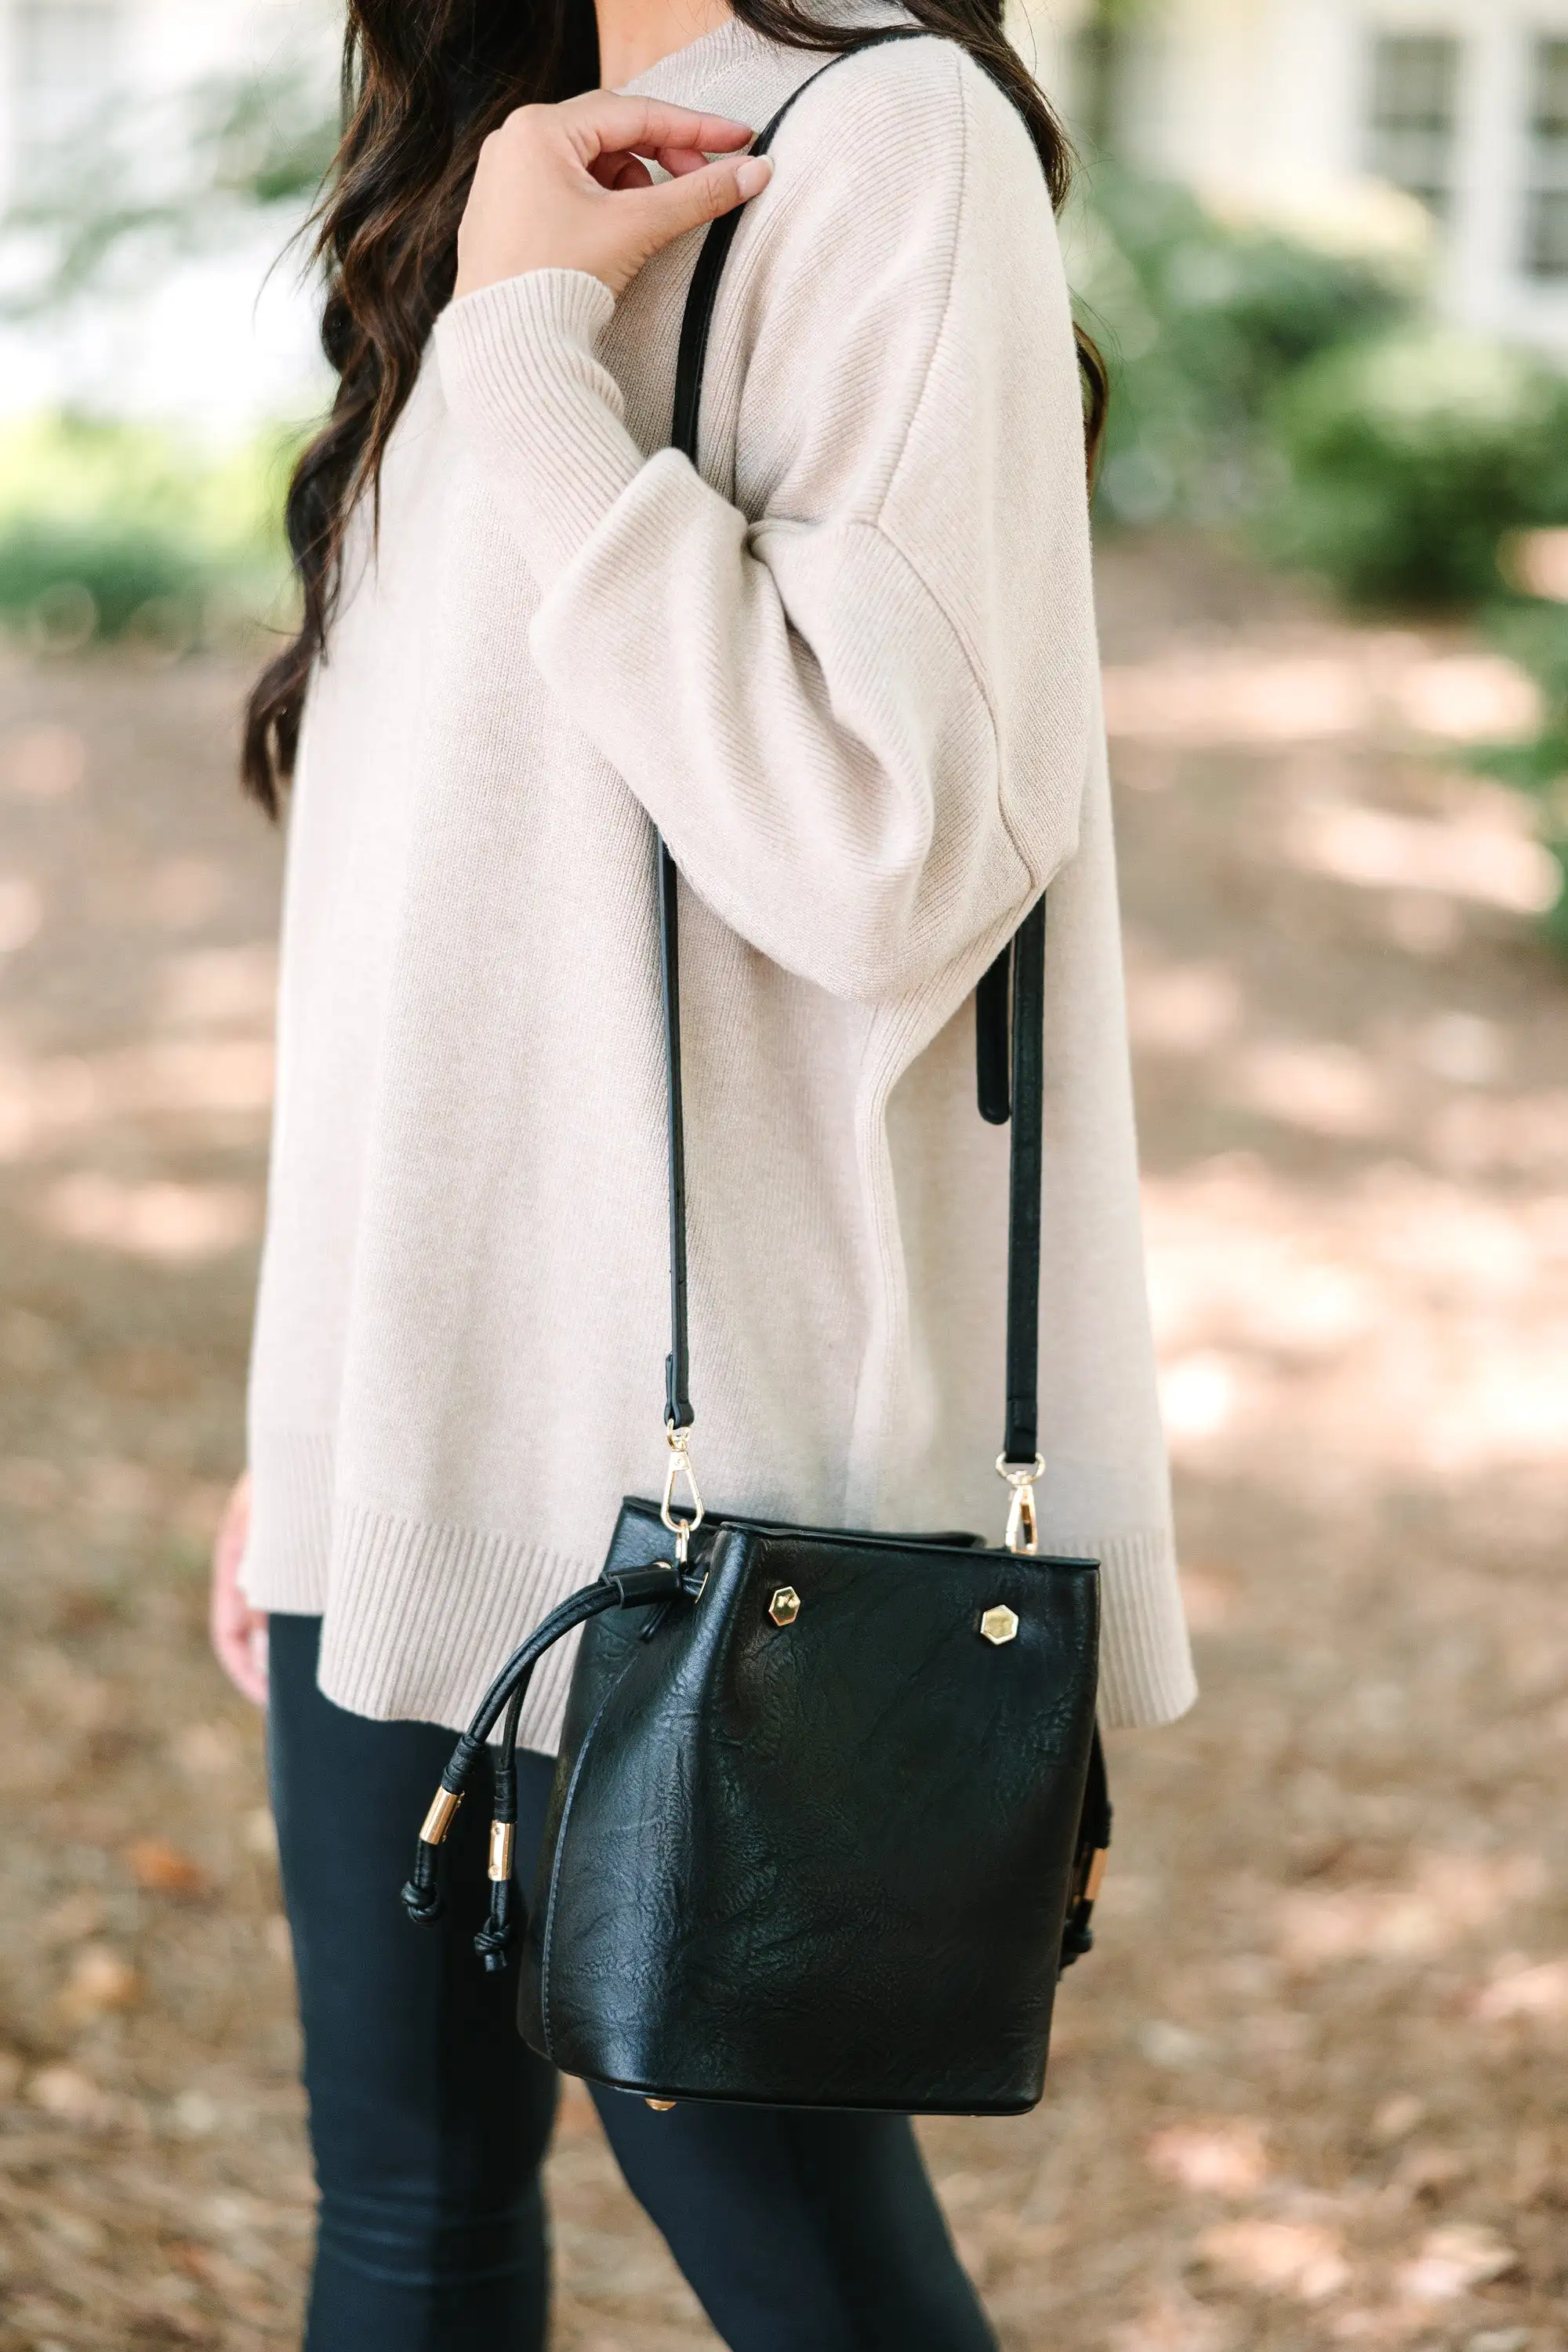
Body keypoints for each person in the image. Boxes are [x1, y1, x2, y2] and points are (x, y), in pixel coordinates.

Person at [209, 0, 1197, 2342]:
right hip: (405, 1458)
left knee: (811, 2276)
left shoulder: (883, 142)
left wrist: (538, 345)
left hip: (687, 1503)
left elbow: (885, 856)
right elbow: (417, 948)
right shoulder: (490, 165)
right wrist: (298, 1438)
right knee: (409, 2219)